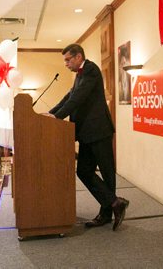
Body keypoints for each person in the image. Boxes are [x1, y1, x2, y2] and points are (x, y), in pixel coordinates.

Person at [47, 43, 129, 231]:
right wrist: (50, 114)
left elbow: (78, 98)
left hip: (99, 131)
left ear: (78, 57)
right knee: (83, 171)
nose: (66, 64)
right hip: (86, 133)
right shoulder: (79, 75)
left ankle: (106, 214)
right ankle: (115, 203)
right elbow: (69, 97)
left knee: (107, 174)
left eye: (68, 59)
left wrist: (57, 116)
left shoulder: (91, 70)